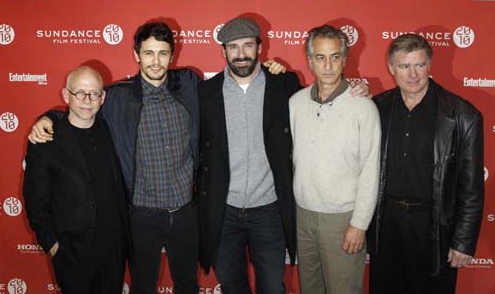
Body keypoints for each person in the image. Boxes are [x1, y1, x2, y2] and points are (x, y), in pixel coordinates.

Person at [27, 19, 288, 294]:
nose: (156, 61)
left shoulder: (190, 84)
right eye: (149, 53)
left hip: (186, 213)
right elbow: (81, 109)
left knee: (187, 285)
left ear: (171, 55)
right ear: (136, 55)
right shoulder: (117, 98)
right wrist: (49, 118)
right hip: (141, 216)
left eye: (163, 53)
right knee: (143, 287)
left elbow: (236, 81)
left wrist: (268, 71)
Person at [367, 33, 484, 294]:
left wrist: (463, 242)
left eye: (419, 65)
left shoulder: (462, 115)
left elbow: (472, 187)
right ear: (391, 68)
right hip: (387, 226)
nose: (412, 74)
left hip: (435, 229)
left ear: (429, 65)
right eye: (404, 66)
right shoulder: (377, 108)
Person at [198, 17, 301, 294]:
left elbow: (321, 100)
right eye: (233, 47)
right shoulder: (205, 92)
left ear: (259, 47)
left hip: (268, 209)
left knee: (272, 287)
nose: (241, 54)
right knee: (232, 286)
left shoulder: (285, 84)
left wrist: (356, 90)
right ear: (223, 51)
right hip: (224, 211)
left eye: (247, 45)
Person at [289, 25, 381, 293]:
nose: (328, 65)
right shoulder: (295, 103)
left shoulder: (363, 108)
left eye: (335, 56)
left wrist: (359, 224)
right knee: (310, 289)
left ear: (344, 58)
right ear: (309, 60)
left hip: (344, 220)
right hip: (303, 217)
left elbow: (370, 171)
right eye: (320, 57)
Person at [23, 66, 129, 294]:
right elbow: (35, 201)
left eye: (93, 94)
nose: (87, 100)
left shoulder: (110, 127)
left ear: (103, 98)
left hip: (113, 249)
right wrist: (52, 245)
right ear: (65, 95)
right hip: (72, 252)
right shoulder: (45, 139)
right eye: (79, 93)